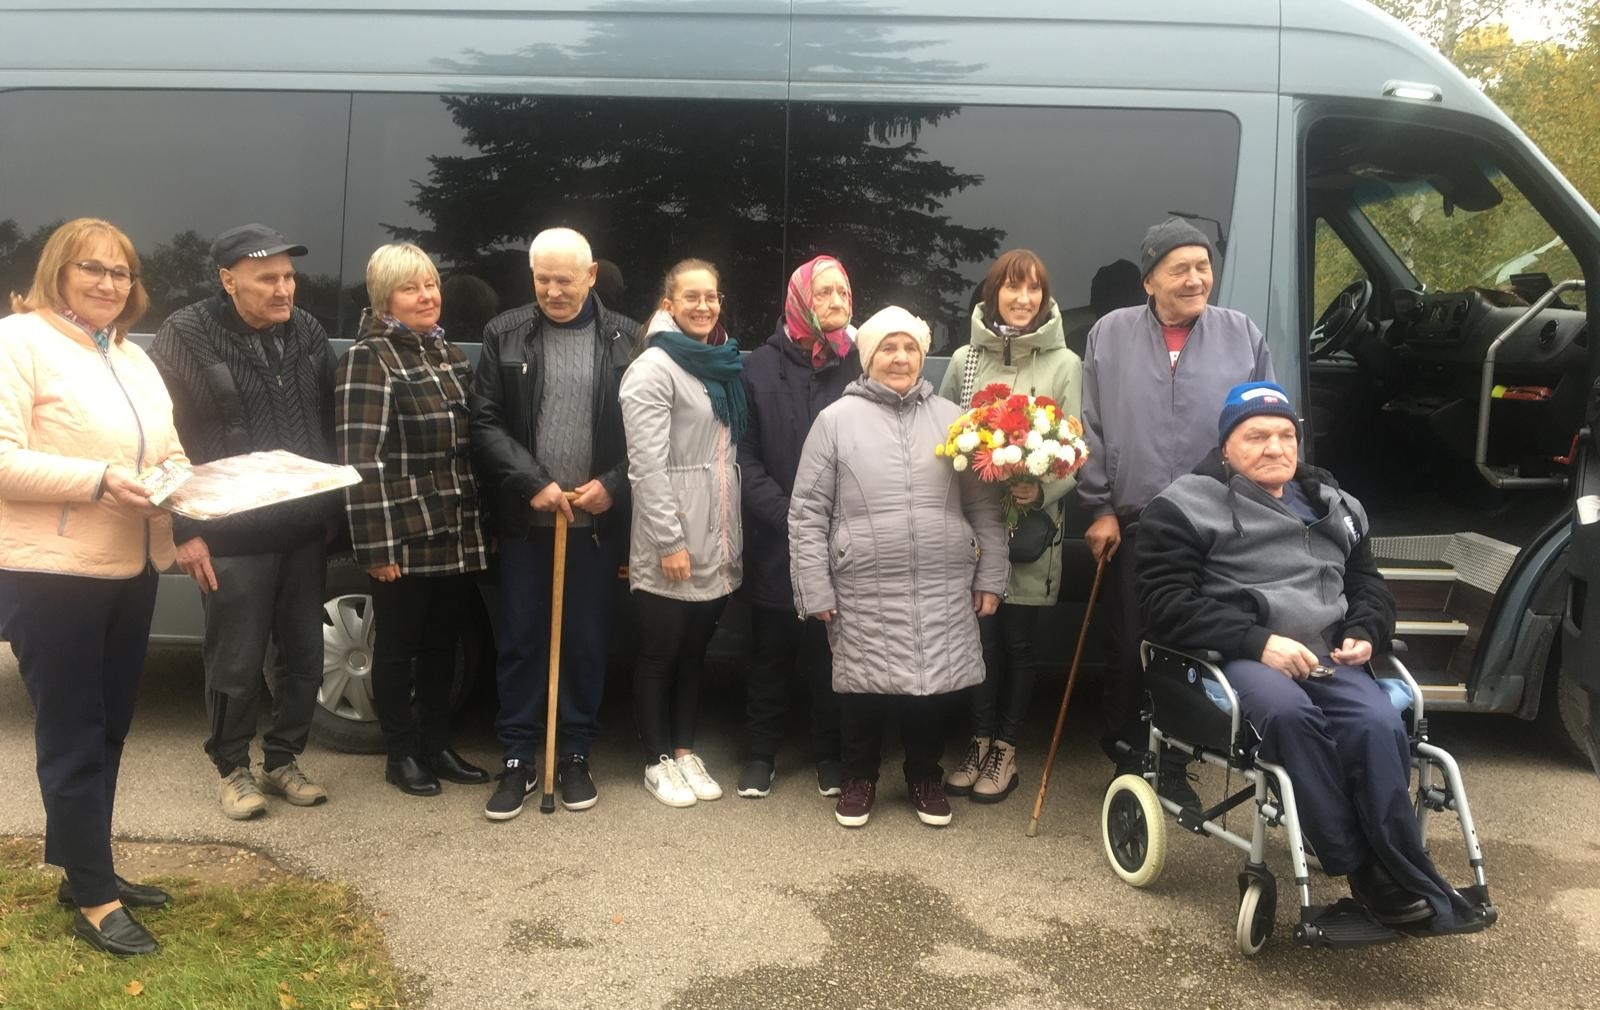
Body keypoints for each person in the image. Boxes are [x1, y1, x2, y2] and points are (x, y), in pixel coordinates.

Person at [1138, 381, 1481, 934]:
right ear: (1226, 445)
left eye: (1285, 435)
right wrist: (1258, 642)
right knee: (1290, 716)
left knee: (1375, 722)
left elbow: (1368, 584)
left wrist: (1367, 629)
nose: (1275, 447)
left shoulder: (1337, 506)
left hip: (1326, 653)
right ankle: (1364, 867)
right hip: (1238, 653)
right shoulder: (1181, 507)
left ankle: (1395, 860)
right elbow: (1162, 605)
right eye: (1256, 436)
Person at [0, 218, 186, 955]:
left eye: (121, 272)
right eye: (93, 269)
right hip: (55, 574)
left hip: (132, 565)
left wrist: (186, 493)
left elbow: (166, 448)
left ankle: (87, 867)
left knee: (109, 728)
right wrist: (99, 479)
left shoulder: (132, 356)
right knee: (73, 733)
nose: (109, 284)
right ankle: (95, 899)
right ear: (58, 271)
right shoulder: (19, 342)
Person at [789, 306, 1009, 829]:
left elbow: (984, 506)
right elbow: (807, 513)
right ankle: (859, 775)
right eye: (888, 347)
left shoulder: (954, 419)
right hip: (862, 583)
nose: (901, 357)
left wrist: (992, 573)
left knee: (929, 687)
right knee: (862, 687)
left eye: (910, 347)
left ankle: (924, 775)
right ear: (868, 358)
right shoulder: (835, 421)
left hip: (941, 582)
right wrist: (813, 587)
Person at [1078, 217, 1273, 804]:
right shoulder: (1109, 334)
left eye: (1203, 267)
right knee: (1131, 642)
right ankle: (1128, 755)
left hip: (1218, 522)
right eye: (1179, 269)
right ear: (1149, 281)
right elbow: (1090, 425)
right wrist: (1099, 507)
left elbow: (1267, 425)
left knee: (1196, 645)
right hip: (1134, 520)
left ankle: (1178, 759)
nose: (1195, 279)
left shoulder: (1241, 333)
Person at [149, 223, 338, 821]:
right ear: (229, 281)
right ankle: (232, 769)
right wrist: (184, 529)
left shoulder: (307, 332)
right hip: (228, 532)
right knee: (234, 661)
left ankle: (283, 760)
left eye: (288, 277)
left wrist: (333, 508)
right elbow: (160, 442)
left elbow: (328, 421)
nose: (284, 290)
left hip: (303, 529)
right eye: (268, 279)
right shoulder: (184, 336)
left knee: (305, 656)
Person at [470, 227, 639, 820]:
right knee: (520, 640)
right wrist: (532, 481)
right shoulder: (504, 333)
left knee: (586, 642)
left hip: (591, 525)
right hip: (526, 521)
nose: (553, 290)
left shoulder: (627, 339)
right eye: (543, 279)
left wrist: (611, 486)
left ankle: (573, 752)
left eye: (565, 279)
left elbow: (648, 433)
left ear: (592, 275)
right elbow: (484, 423)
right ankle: (517, 755)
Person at [336, 243, 490, 796]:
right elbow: (361, 461)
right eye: (411, 288)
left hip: (457, 526)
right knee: (397, 648)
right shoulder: (368, 358)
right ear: (385, 299)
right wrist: (375, 550)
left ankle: (436, 744)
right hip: (404, 532)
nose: (427, 296)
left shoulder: (447, 353)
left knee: (442, 646)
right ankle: (400, 754)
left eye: (432, 284)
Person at [938, 250, 1082, 803]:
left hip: (1028, 531)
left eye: (1034, 290)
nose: (1023, 299)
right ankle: (976, 740)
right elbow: (946, 437)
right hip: (976, 527)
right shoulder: (966, 359)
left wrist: (1040, 486)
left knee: (1020, 643)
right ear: (992, 291)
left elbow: (1077, 447)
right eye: (1012, 287)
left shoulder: (1065, 363)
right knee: (980, 640)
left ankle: (1006, 748)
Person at [619, 259, 745, 807]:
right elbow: (645, 467)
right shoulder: (654, 367)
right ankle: (656, 761)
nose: (703, 306)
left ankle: (686, 751)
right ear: (668, 303)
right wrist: (669, 541)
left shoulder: (717, 361)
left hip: (717, 532)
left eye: (711, 297)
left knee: (695, 652)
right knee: (660, 652)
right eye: (690, 297)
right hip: (673, 534)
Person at [735, 254, 859, 800]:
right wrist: (792, 517)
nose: (836, 302)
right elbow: (743, 456)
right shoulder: (758, 368)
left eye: (844, 293)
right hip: (777, 537)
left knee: (831, 652)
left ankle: (828, 753)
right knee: (770, 652)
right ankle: (760, 755)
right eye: (825, 293)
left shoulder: (861, 366)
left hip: (843, 539)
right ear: (800, 300)